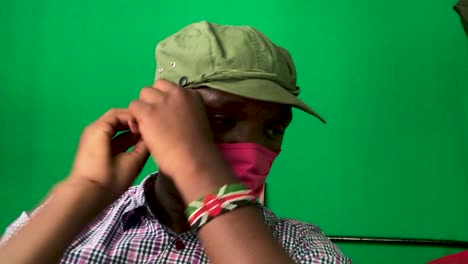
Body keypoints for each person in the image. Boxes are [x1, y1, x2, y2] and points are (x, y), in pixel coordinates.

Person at [0, 21, 351, 264]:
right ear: (160, 119)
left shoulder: (302, 248)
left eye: (273, 130)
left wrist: (196, 165)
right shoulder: (71, 224)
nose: (252, 147)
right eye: (218, 122)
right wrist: (84, 188)